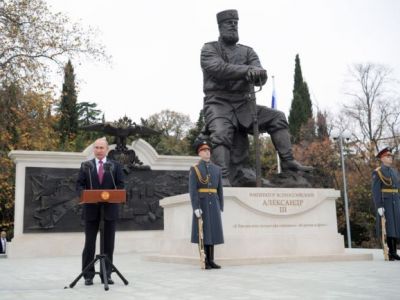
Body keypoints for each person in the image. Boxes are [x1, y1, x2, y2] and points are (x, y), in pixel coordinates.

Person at [200, 9, 312, 187]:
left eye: (235, 23)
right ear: (220, 27)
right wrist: (247, 71)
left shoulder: (247, 52)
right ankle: (221, 175)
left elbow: (260, 72)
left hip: (244, 104)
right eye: (229, 24)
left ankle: (288, 161)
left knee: (278, 117)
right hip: (218, 103)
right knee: (221, 134)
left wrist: (260, 75)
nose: (233, 26)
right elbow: (218, 68)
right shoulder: (209, 49)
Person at [77, 138, 125, 285]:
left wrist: (114, 194)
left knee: (108, 244)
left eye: (101, 148)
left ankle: (107, 274)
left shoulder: (115, 166)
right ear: (94, 149)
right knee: (89, 244)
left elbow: (121, 185)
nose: (99, 150)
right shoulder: (86, 166)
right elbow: (79, 185)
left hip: (109, 210)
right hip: (91, 210)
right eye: (96, 147)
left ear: (107, 150)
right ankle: (88, 275)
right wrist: (84, 195)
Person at [189, 139, 224, 269]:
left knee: (212, 232)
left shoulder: (216, 169)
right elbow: (192, 190)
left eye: (208, 150)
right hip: (202, 203)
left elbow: (220, 188)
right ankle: (204, 260)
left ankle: (211, 259)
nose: (207, 152)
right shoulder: (195, 169)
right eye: (204, 150)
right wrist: (196, 207)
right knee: (203, 232)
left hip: (214, 203)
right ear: (199, 153)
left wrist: (221, 205)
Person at [372, 147, 400, 261]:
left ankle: (394, 251)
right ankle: (391, 252)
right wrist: (379, 205)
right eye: (388, 156)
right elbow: (375, 190)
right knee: (389, 227)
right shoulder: (377, 171)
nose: (390, 158)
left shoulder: (394, 171)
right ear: (382, 158)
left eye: (391, 156)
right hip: (386, 202)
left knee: (396, 226)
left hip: (396, 201)